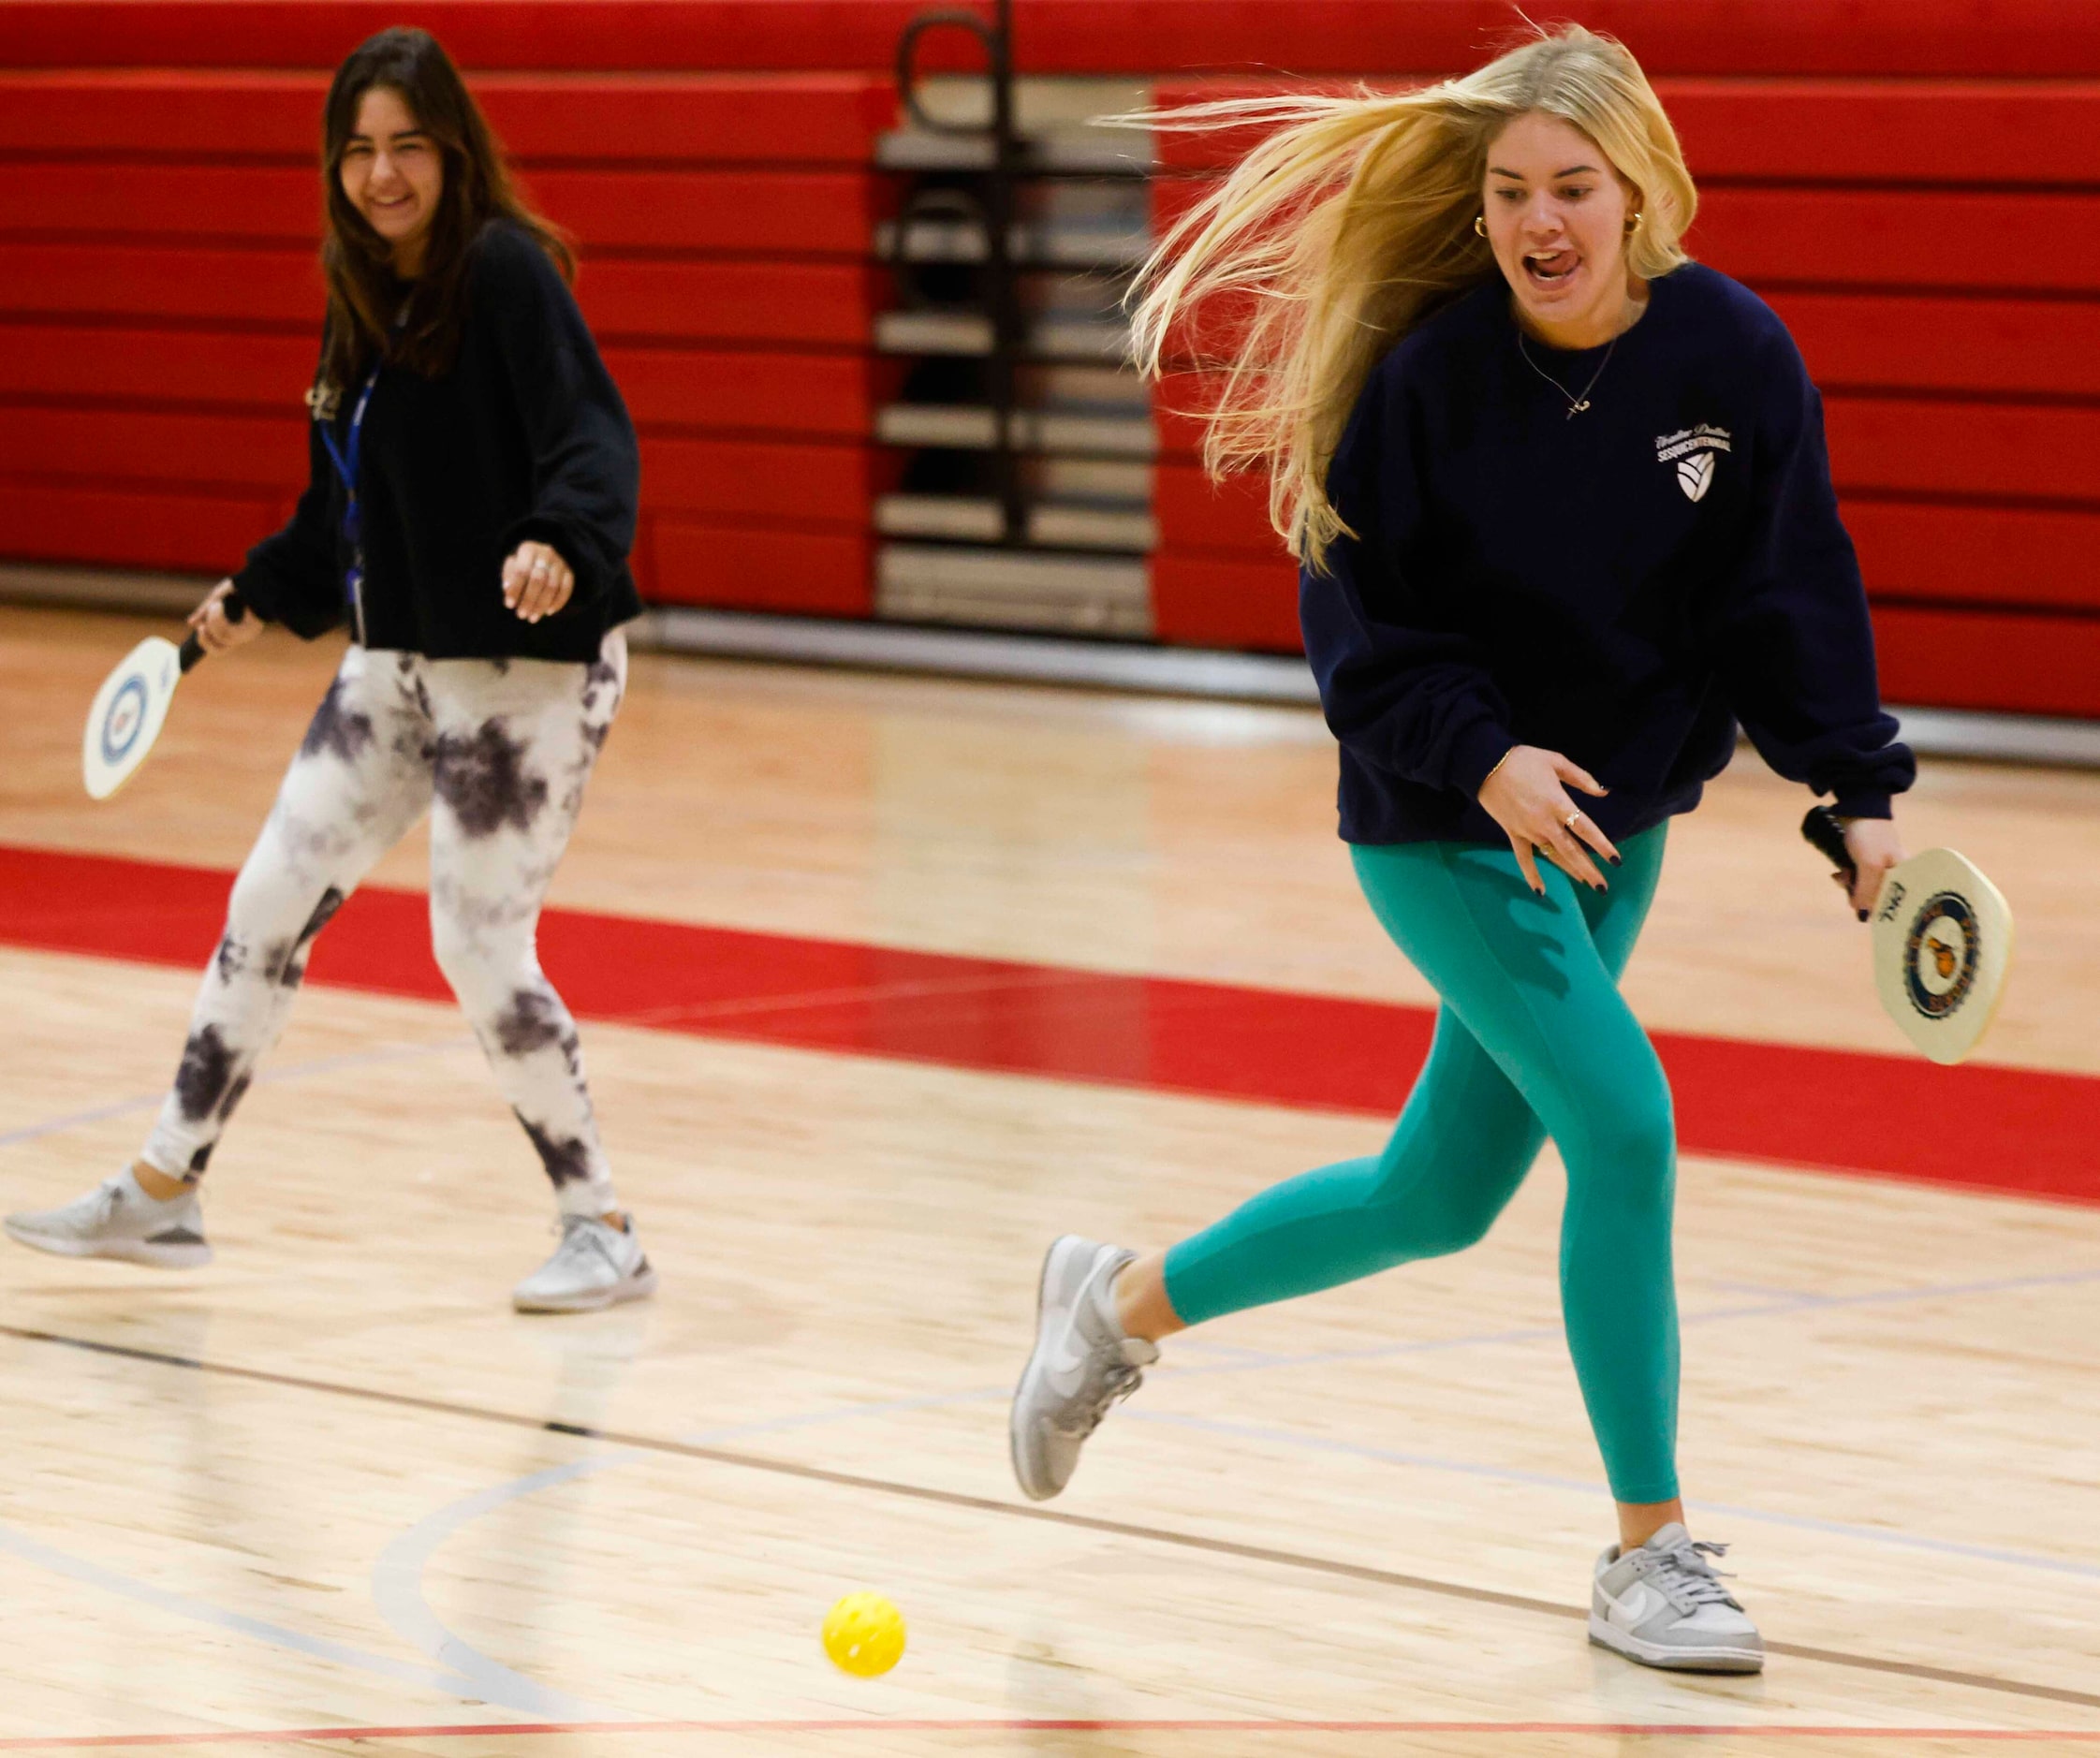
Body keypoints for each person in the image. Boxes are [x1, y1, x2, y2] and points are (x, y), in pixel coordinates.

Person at [1008, 26, 1914, 1674]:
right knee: (1625, 1126)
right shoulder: (1426, 381)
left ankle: (1117, 1301)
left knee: (1435, 1196)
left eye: (1573, 186)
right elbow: (1355, 630)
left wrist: (1855, 790)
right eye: (1511, 191)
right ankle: (1650, 1553)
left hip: (1610, 833)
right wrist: (1484, 757)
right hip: (1441, 826)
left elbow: (1789, 590)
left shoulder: (1734, 355)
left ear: (1645, 189)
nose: (1538, 219)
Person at [7, 27, 656, 1314]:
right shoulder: (363, 301)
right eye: (359, 151)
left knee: (476, 943)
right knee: (266, 900)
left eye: (407, 144)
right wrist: (259, 591)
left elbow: (594, 438)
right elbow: (340, 511)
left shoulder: (505, 275)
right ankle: (164, 1187)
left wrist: (560, 543)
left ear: (451, 147)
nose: (383, 173)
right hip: (398, 665)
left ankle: (605, 1227)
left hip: (526, 671)